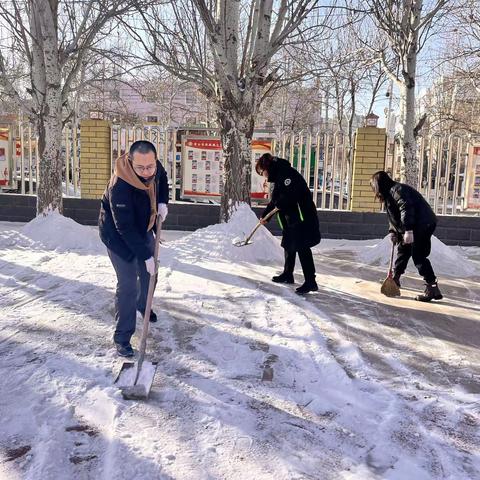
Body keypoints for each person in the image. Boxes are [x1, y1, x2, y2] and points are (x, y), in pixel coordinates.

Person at [99, 140, 169, 356]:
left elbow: (163, 178)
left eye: (150, 167)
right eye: (141, 168)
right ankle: (122, 337)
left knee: (151, 275)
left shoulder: (153, 168)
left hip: (143, 228)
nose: (147, 172)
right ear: (131, 162)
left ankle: (143, 305)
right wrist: (145, 256)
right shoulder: (119, 186)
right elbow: (124, 228)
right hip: (118, 237)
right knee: (128, 284)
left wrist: (162, 202)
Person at [370, 170, 443, 302]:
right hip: (415, 225)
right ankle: (395, 279)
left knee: (418, 255)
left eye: (374, 187)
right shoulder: (390, 193)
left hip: (422, 224)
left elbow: (406, 209)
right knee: (403, 250)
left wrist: (408, 230)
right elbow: (393, 216)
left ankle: (432, 288)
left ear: (379, 185)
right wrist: (393, 231)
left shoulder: (397, 191)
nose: (375, 191)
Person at [256, 153, 321, 295]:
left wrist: (278, 205)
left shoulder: (286, 174)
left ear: (267, 167)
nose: (264, 175)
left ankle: (311, 281)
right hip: (290, 217)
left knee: (302, 247)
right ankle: (287, 274)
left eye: (263, 172)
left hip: (301, 216)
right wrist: (266, 216)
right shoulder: (279, 175)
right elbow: (275, 200)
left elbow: (290, 196)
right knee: (288, 243)